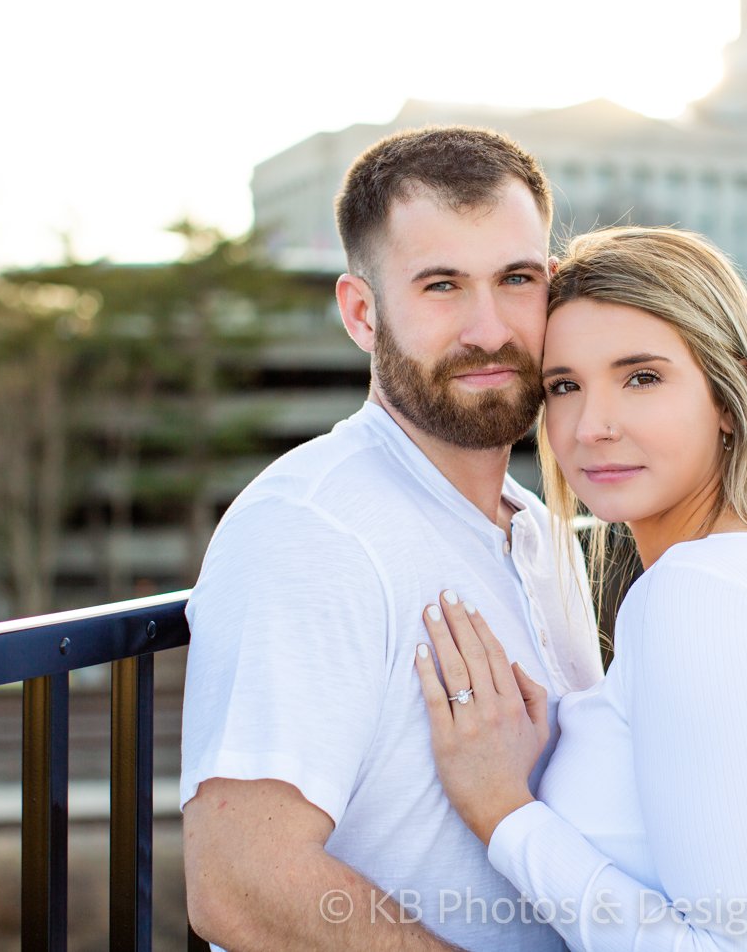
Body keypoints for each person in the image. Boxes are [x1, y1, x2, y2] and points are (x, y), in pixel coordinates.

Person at [180, 125, 604, 951]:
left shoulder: (546, 535)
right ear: (362, 312)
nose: (488, 328)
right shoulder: (311, 529)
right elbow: (239, 881)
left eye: (516, 278)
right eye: (441, 285)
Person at [414, 226, 747, 951]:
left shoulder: (694, 597)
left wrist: (503, 811)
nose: (593, 426)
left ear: (728, 396)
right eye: (564, 385)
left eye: (642, 377)